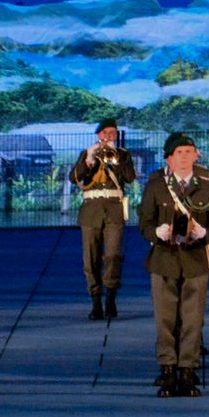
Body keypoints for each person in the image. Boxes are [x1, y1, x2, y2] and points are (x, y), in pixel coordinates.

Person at [139, 133, 209, 397]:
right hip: (164, 259)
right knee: (165, 319)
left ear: (197, 155)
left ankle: (187, 370)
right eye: (180, 153)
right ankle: (168, 370)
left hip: (195, 260)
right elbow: (145, 223)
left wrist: (204, 234)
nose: (186, 157)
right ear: (169, 158)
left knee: (192, 320)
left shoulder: (207, 185)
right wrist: (157, 233)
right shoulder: (156, 185)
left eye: (190, 152)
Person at [71, 116, 135, 321]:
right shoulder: (87, 153)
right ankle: (96, 300)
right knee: (90, 258)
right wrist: (89, 158)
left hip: (114, 209)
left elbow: (130, 178)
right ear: (98, 135)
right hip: (91, 210)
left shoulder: (123, 154)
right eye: (105, 133)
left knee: (113, 255)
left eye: (112, 133)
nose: (109, 137)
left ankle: (111, 297)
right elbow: (75, 178)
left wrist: (116, 160)